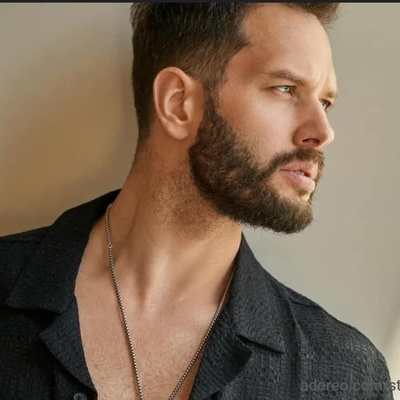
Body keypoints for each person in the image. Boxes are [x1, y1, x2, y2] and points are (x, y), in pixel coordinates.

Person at [0, 3, 394, 400]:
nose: (323, 132)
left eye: (325, 102)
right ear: (178, 103)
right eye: (285, 88)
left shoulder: (349, 377)